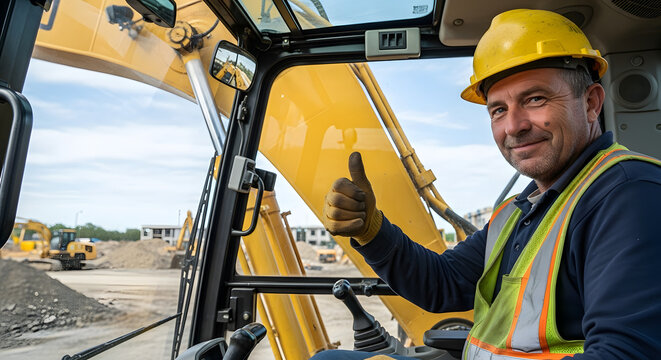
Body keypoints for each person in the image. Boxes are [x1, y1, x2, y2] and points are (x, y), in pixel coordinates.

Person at [316, 9, 661, 360]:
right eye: (498, 110)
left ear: (591, 103)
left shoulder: (630, 195)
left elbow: (625, 353)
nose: (513, 126)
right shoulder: (521, 210)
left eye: (535, 99)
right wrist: (372, 231)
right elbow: (443, 283)